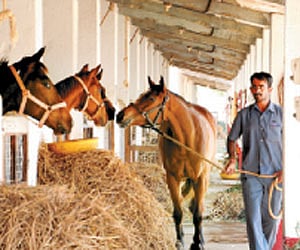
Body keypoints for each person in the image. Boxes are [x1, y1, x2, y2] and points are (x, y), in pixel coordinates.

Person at [224, 72, 283, 250]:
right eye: (254, 87)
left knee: (272, 220)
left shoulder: (281, 114)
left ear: (270, 89)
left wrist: (286, 169)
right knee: (253, 219)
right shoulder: (244, 115)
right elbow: (232, 138)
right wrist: (232, 159)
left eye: (261, 87)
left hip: (276, 176)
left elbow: (293, 141)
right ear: (250, 89)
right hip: (251, 175)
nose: (257, 91)